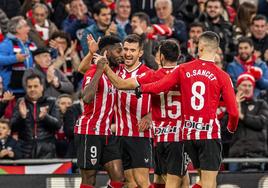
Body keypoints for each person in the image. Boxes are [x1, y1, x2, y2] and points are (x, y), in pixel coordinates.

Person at [136, 31, 239, 188]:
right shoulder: (222, 75)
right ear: (217, 49)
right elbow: (233, 112)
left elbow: (161, 86)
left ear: (200, 47)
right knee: (209, 183)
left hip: (189, 135)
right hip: (208, 134)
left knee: (201, 179)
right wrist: (231, 128)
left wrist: (142, 88)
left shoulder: (183, 69)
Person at [97, 39, 190, 187]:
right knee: (131, 182)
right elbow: (84, 70)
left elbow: (123, 85)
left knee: (145, 181)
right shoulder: (117, 69)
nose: (127, 53)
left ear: (141, 53)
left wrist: (150, 115)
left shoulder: (149, 73)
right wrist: (93, 54)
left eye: (132, 50)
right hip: (123, 134)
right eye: (125, 49)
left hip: (142, 134)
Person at [74, 35, 125, 188]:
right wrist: (99, 70)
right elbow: (87, 98)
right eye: (118, 51)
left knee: (119, 179)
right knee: (89, 180)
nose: (121, 54)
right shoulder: (93, 72)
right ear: (107, 53)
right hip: (89, 131)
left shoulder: (116, 72)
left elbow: (80, 68)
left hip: (107, 133)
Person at [11, 73, 61, 159]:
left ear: (42, 87)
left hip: (47, 151)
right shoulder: (21, 102)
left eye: (35, 86)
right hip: (25, 150)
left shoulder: (51, 102)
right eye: (29, 87)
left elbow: (57, 126)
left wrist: (45, 117)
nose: (32, 89)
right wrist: (21, 116)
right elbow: (13, 127)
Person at [228, 72, 268, 172]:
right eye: (244, 85)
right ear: (238, 87)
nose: (247, 88)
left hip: (257, 154)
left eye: (250, 85)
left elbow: (261, 122)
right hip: (236, 155)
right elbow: (226, 128)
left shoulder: (261, 104)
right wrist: (234, 109)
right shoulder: (231, 105)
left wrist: (241, 116)